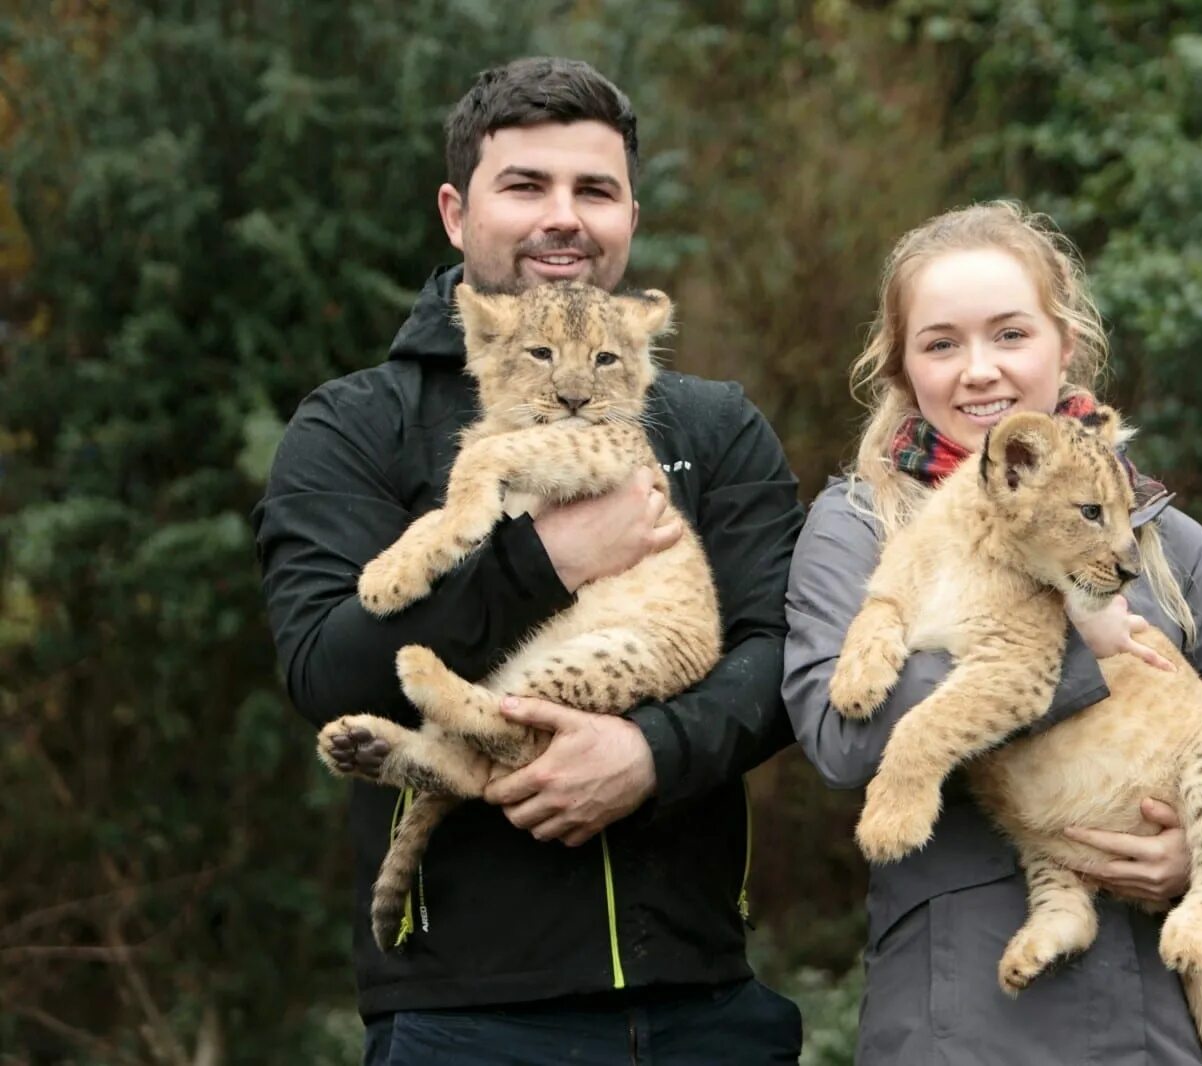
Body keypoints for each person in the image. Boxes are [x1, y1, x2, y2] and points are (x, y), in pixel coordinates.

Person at [252, 57, 805, 1065]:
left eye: (594, 190)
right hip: (465, 1021)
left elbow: (787, 657)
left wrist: (651, 755)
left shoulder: (713, 424)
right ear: (457, 213)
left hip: (705, 1005)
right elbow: (325, 670)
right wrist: (541, 559)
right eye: (526, 186)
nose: (565, 217)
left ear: (630, 214)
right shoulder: (355, 426)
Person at [782, 201, 1202, 1063]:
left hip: (1155, 1026)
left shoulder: (1160, 539)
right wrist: (1083, 655)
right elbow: (838, 738)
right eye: (941, 344)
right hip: (959, 1023)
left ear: (1064, 345)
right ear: (900, 365)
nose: (979, 372)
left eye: (1010, 334)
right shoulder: (859, 523)